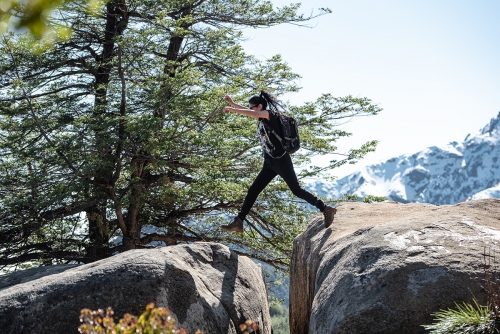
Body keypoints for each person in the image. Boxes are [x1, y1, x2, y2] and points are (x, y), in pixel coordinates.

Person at [220, 90, 337, 233]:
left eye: (252, 107)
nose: (250, 111)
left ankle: (325, 208)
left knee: (296, 190)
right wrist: (232, 103)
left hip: (281, 161)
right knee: (253, 190)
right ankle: (239, 222)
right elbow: (252, 112)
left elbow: (255, 114)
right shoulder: (261, 116)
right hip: (269, 163)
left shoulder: (270, 115)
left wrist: (232, 109)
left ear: (260, 106)